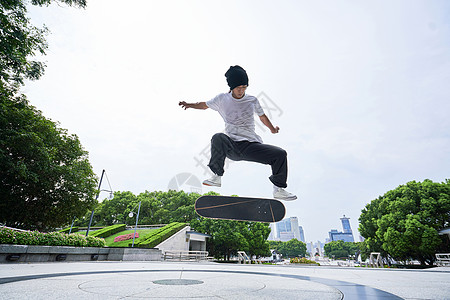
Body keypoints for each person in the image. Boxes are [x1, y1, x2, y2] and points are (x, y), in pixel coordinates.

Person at [179, 65, 297, 201]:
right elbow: (204, 105)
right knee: (218, 137)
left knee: (280, 154)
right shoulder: (221, 99)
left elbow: (262, 117)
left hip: (251, 146)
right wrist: (189, 104)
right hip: (232, 146)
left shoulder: (252, 100)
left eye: (244, 87)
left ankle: (279, 190)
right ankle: (216, 176)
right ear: (231, 87)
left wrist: (272, 129)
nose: (241, 91)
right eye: (238, 88)